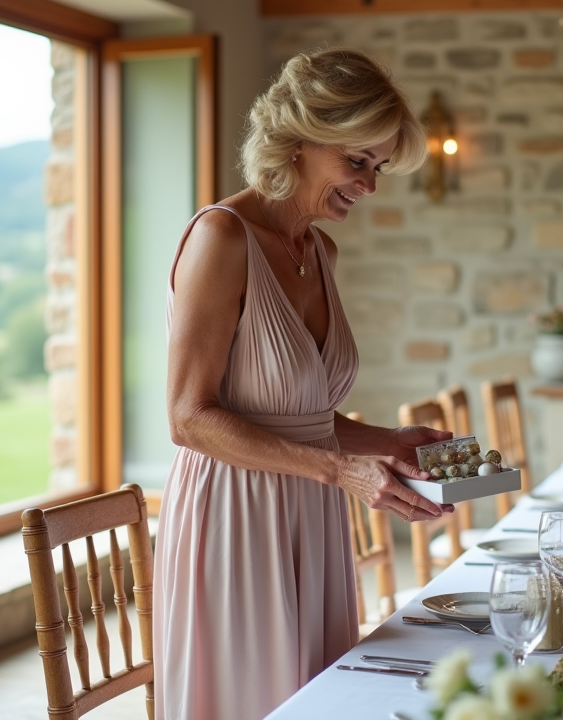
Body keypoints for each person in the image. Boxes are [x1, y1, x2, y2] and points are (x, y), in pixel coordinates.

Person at [153, 48, 453, 720]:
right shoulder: (221, 239)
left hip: (311, 513)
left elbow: (297, 413)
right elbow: (188, 418)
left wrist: (387, 441)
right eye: (358, 162)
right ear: (301, 141)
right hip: (235, 516)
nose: (369, 186)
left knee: (321, 699)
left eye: (376, 167)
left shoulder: (322, 251)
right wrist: (343, 471)